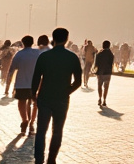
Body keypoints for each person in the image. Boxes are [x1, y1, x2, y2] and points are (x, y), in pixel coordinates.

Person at [30, 27, 82, 164]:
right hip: (62, 98)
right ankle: (52, 159)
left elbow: (36, 78)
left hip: (45, 97)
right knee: (57, 130)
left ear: (53, 38)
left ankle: (39, 159)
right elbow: (78, 81)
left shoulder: (44, 56)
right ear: (66, 39)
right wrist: (68, 91)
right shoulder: (72, 57)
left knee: (41, 130)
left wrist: (33, 94)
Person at [8, 35, 41, 135]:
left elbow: (12, 69)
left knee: (22, 102)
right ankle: (32, 123)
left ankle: (24, 120)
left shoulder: (19, 54)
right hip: (35, 83)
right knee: (35, 103)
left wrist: (9, 83)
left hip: (21, 83)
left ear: (22, 43)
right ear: (32, 42)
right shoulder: (37, 53)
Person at [94, 40, 115, 107]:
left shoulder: (99, 54)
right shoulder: (111, 54)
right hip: (107, 72)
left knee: (99, 86)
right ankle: (104, 100)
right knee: (106, 87)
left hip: (100, 72)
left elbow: (96, 64)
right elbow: (111, 63)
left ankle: (99, 98)